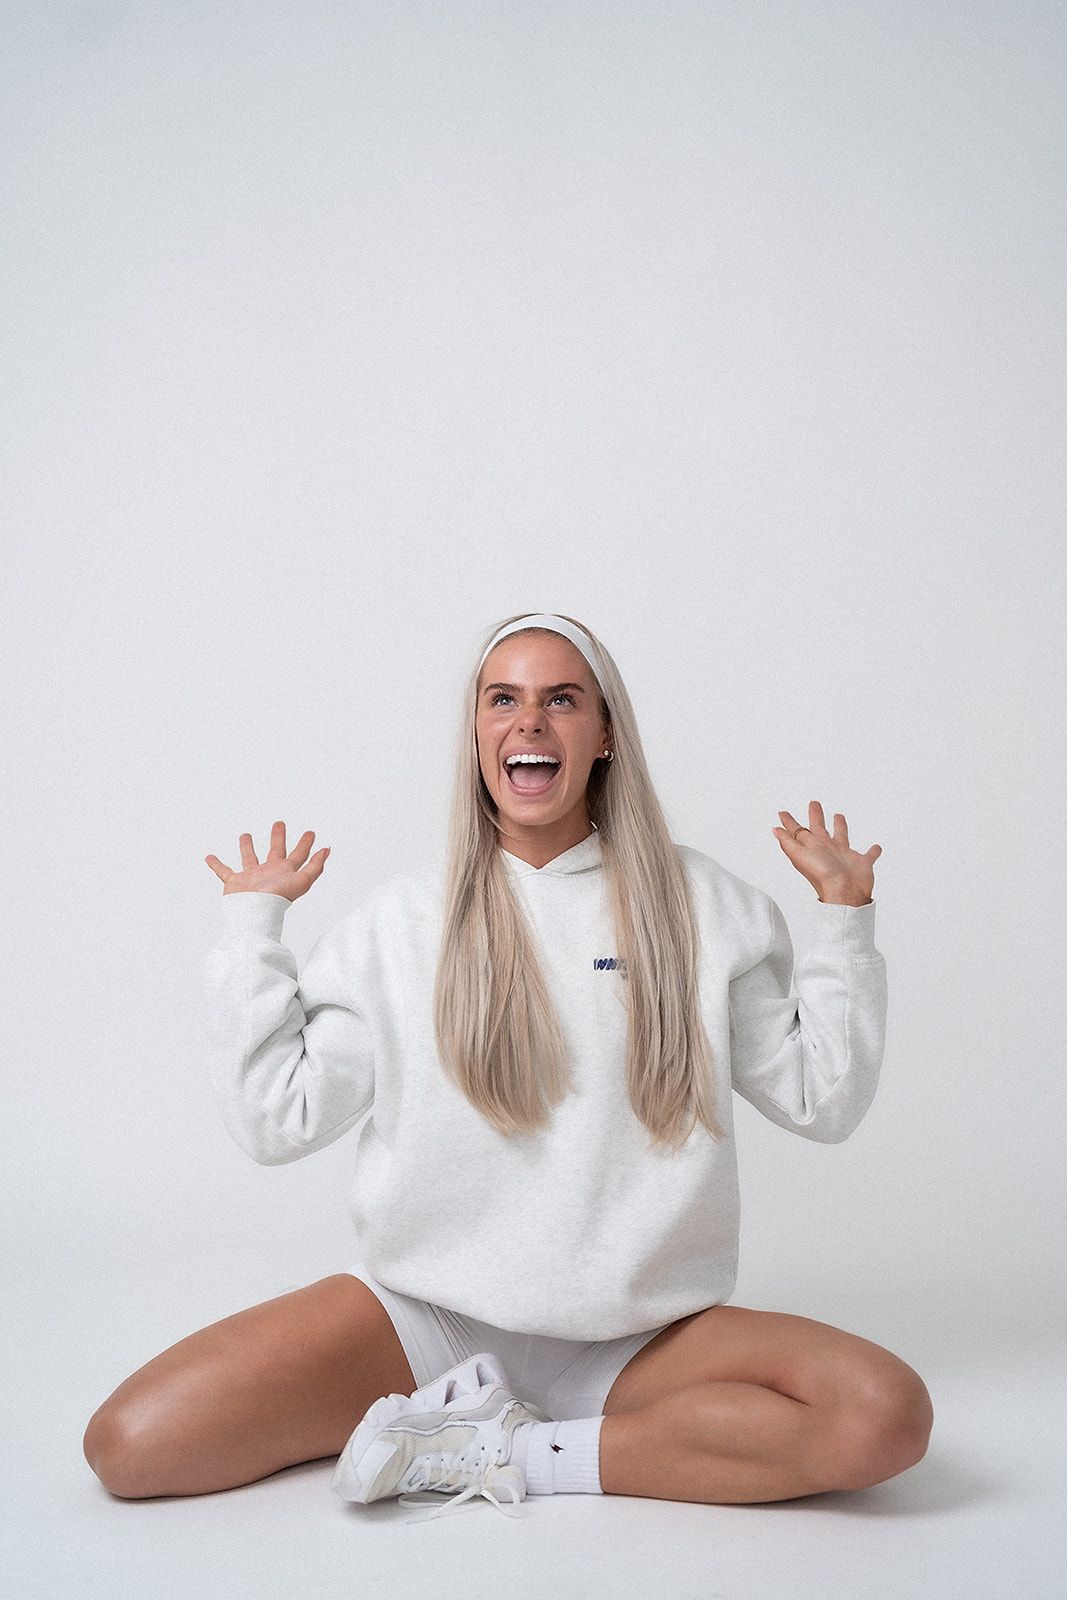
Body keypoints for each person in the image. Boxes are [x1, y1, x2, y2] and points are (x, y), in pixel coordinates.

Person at [82, 611, 932, 1519]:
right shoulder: (399, 922)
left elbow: (821, 1101)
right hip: (423, 1323)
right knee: (129, 1447)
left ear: (603, 735)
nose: (529, 722)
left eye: (560, 699)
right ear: (478, 734)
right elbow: (275, 1121)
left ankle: (500, 1449)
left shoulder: (705, 906)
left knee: (880, 1415)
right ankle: (485, 1420)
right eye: (504, 700)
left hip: (642, 1339)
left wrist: (845, 923)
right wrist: (252, 938)